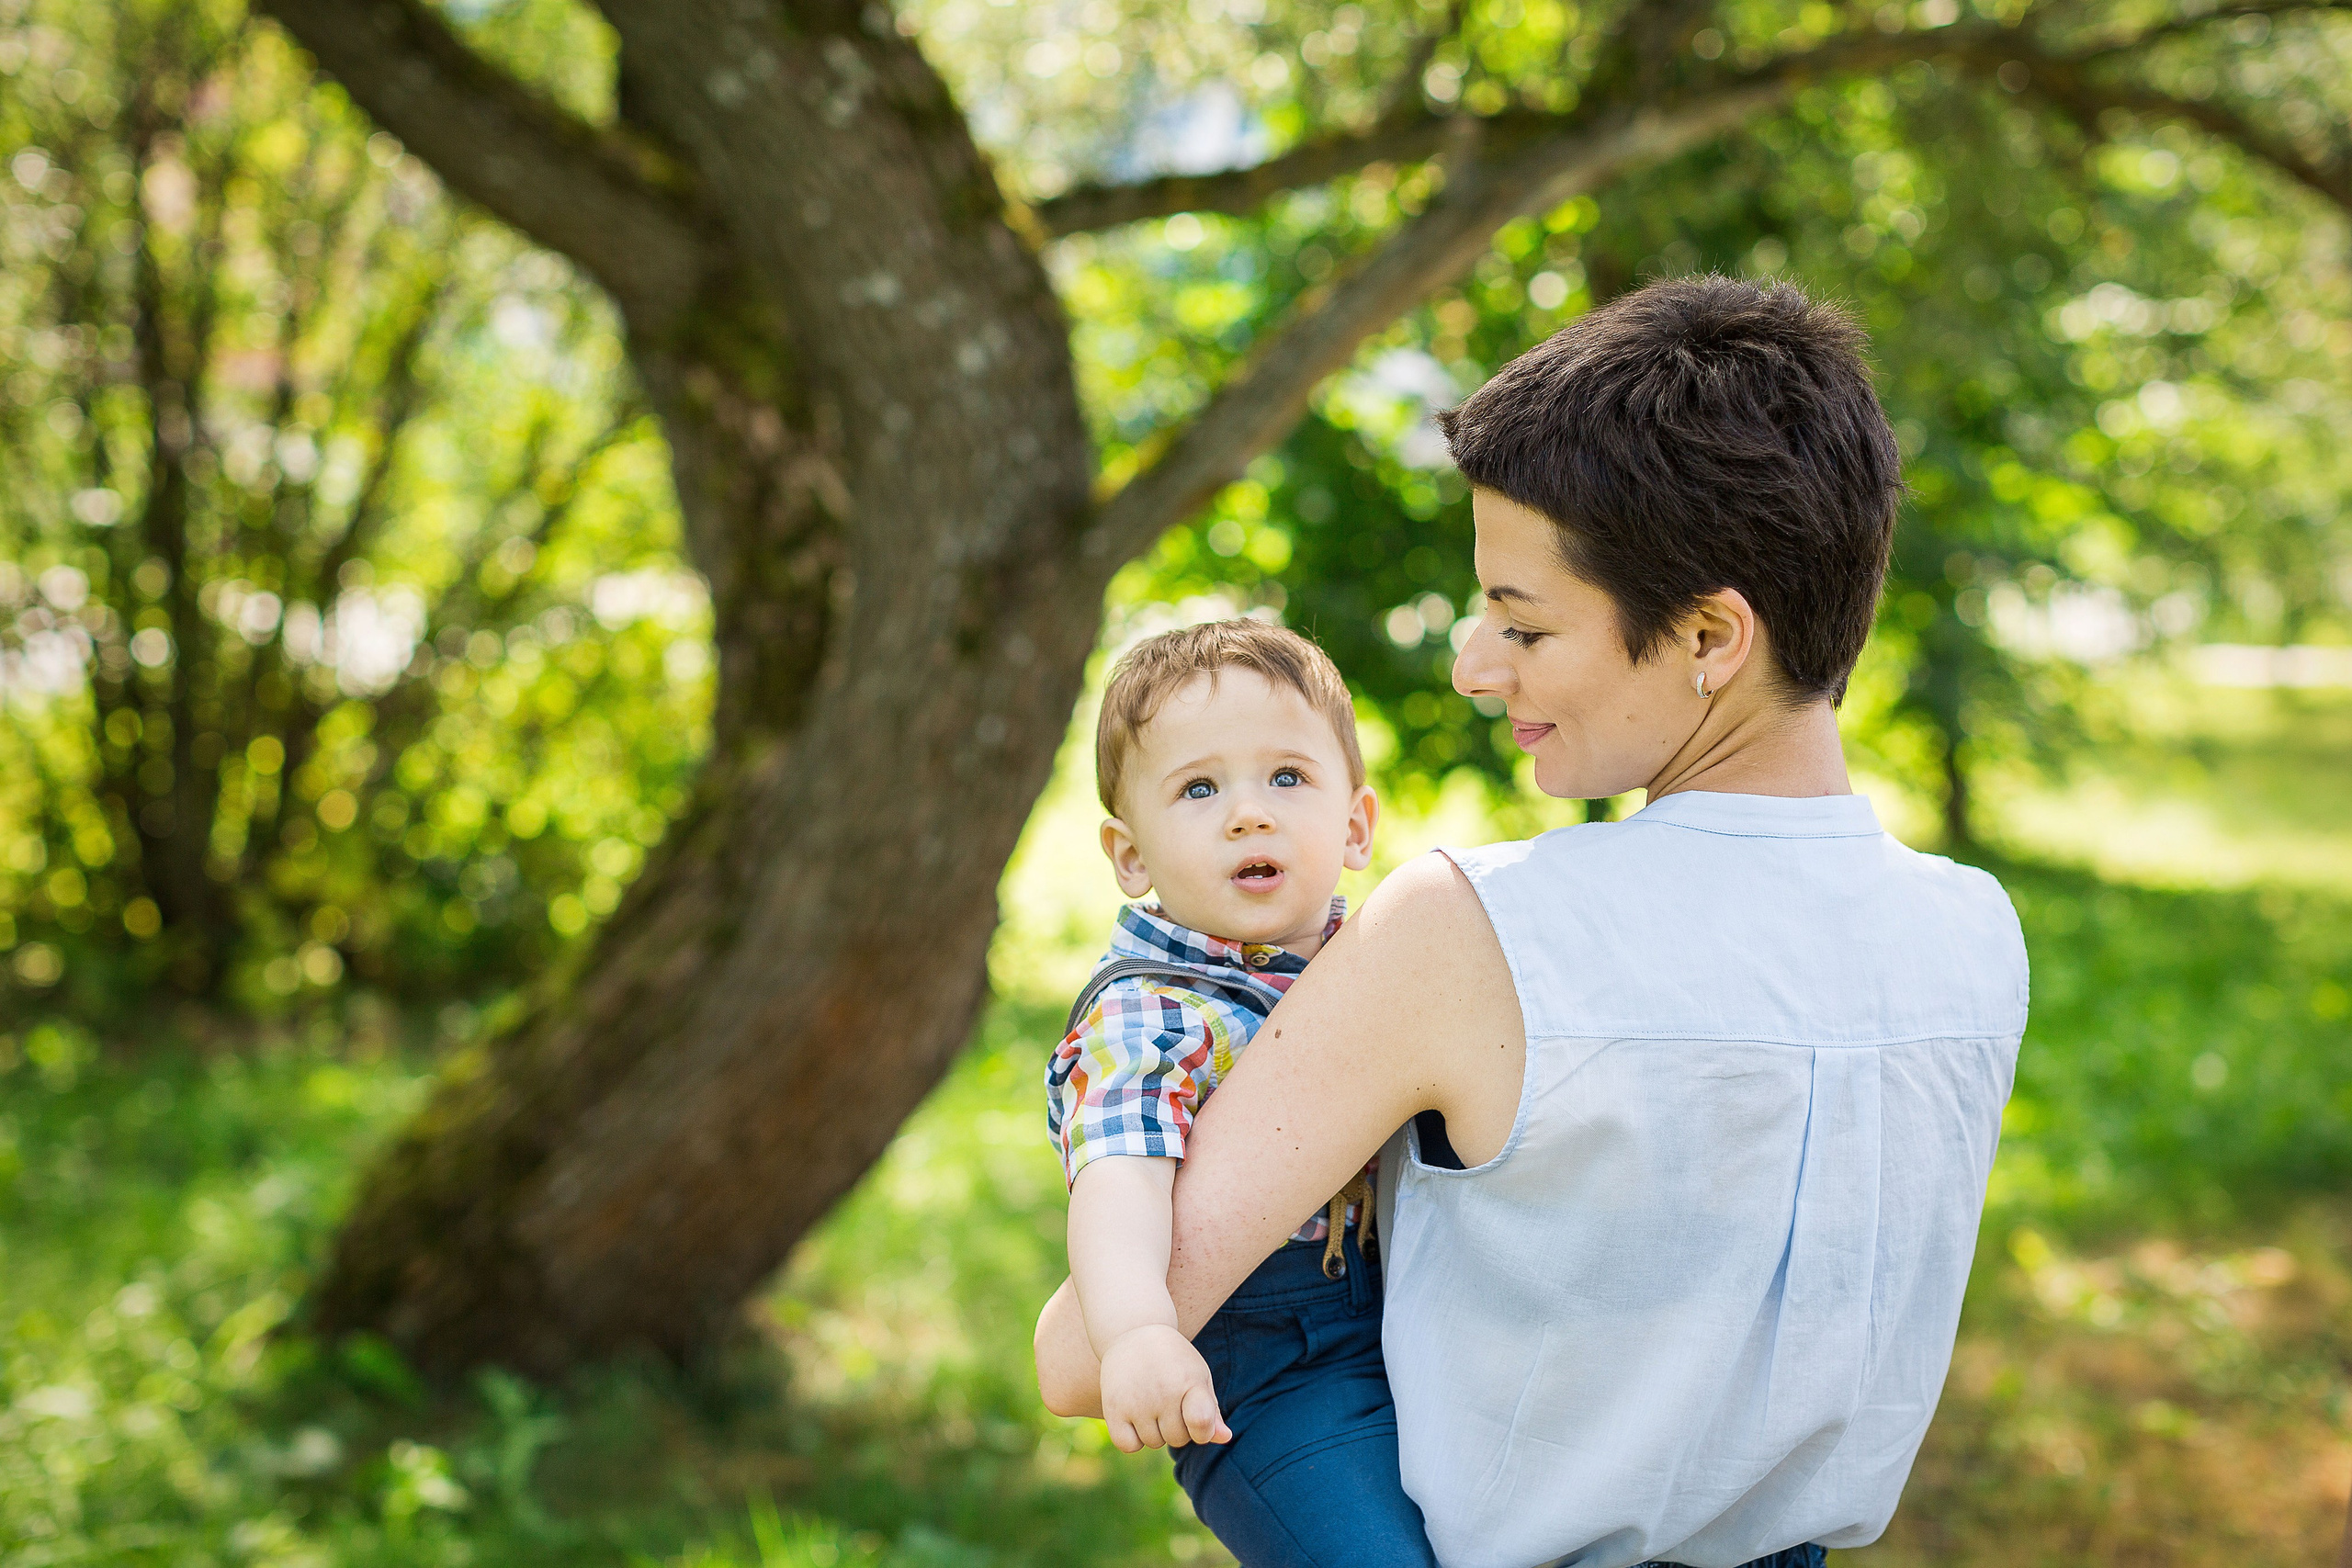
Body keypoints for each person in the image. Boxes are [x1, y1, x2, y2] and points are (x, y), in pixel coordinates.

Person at [1038, 276, 2030, 1568]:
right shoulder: (1975, 937)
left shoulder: (1469, 928)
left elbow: (1079, 1357)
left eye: (1522, 622)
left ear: (1710, 634)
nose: (1472, 664)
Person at [1044, 619, 1440, 1568]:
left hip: (1412, 1325)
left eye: (1287, 777)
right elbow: (1119, 1180)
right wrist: (1137, 1330)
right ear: (1131, 856)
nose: (1248, 814)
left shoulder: (1376, 965)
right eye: (1199, 788)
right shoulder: (1155, 1013)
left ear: (1356, 826)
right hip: (1269, 1371)